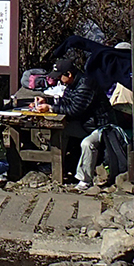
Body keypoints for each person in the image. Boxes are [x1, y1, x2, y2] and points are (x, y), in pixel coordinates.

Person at [33, 57, 115, 190]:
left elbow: (75, 109)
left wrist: (51, 108)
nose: (58, 80)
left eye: (60, 76)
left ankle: (85, 180)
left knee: (87, 144)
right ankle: (55, 165)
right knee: (60, 131)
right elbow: (66, 102)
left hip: (100, 126)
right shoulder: (72, 84)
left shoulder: (86, 85)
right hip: (85, 123)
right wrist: (47, 101)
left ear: (69, 74)